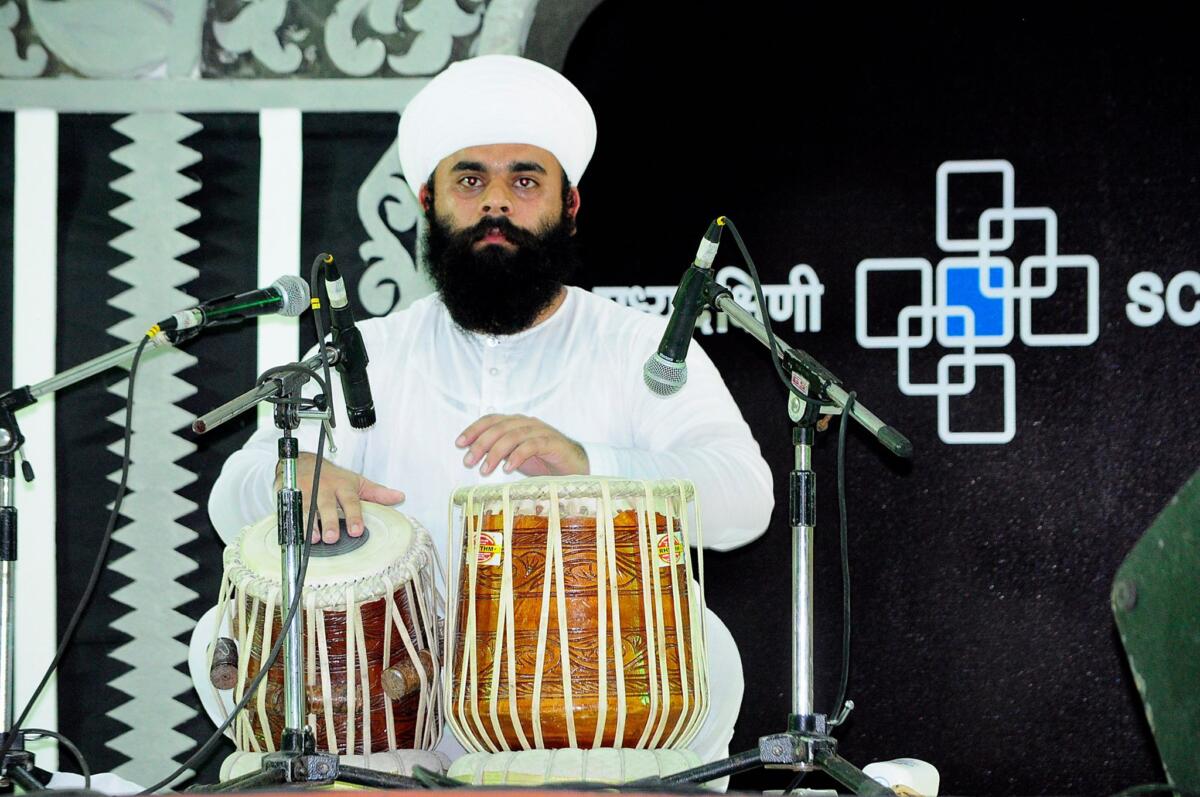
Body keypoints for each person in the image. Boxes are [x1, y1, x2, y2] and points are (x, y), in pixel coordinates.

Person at [208, 54, 773, 772]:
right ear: (428, 202)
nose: (496, 204)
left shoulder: (639, 348)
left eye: (525, 181)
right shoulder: (366, 352)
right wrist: (295, 480)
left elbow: (746, 500)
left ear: (570, 206)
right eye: (470, 180)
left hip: (582, 699)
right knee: (219, 635)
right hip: (386, 699)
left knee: (707, 645)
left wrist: (593, 466)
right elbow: (232, 496)